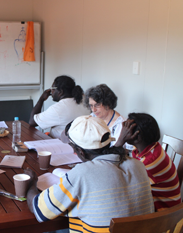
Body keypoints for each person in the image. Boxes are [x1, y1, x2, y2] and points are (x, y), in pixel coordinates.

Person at [25, 115, 154, 233]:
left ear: (81, 152)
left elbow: (38, 209)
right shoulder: (138, 165)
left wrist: (32, 182)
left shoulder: (82, 173)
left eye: (74, 149)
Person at [115, 113, 182, 211]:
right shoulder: (151, 146)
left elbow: (126, 186)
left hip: (164, 214)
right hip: (157, 201)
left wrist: (120, 140)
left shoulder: (149, 162)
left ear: (137, 136)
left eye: (126, 129)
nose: (123, 131)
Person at [84, 84, 131, 149]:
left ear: (107, 104)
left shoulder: (121, 125)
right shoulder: (92, 117)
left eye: (97, 105)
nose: (93, 109)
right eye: (91, 105)